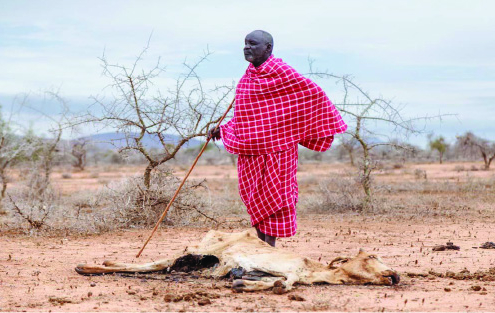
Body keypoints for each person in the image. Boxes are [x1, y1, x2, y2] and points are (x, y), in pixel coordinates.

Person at [209, 30, 347, 247]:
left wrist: (305, 127)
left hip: (279, 150)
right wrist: (224, 129)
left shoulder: (282, 72)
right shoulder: (247, 78)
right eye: (245, 44)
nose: (247, 48)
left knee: (274, 197)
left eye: (253, 44)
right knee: (253, 196)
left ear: (268, 48)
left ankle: (269, 252)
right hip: (251, 151)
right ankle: (261, 248)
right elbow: (246, 117)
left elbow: (313, 95)